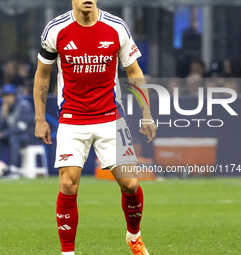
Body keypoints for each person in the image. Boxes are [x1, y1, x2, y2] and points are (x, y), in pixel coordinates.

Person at [33, 1, 157, 254]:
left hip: (110, 117)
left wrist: (146, 113)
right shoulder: (55, 29)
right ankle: (67, 252)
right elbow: (42, 74)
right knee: (68, 185)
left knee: (131, 184)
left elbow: (133, 71)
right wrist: (39, 119)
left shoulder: (116, 27)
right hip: (71, 118)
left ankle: (134, 236)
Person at [0, 83, 35, 177]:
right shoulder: (5, 108)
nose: (6, 98)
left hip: (29, 136)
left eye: (9, 96)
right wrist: (3, 115)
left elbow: (21, 128)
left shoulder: (24, 106)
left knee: (13, 137)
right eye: (4, 96)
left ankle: (13, 170)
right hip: (13, 135)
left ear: (14, 96)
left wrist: (2, 134)